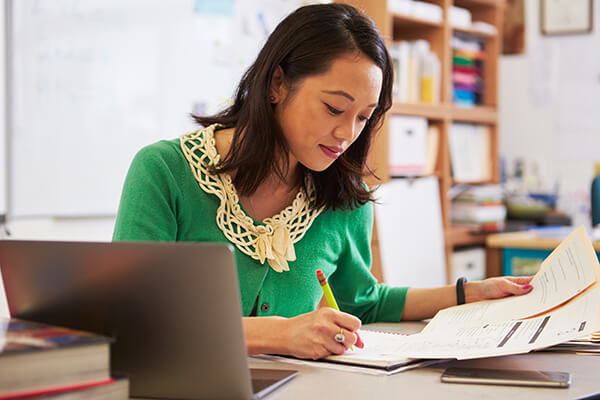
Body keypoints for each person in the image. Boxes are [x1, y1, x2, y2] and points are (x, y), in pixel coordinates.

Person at [113, 3, 532, 360]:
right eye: (334, 109)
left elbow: (363, 302)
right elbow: (135, 317)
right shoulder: (165, 172)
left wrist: (468, 295)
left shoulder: (345, 199)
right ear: (277, 84)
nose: (347, 134)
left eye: (364, 117)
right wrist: (276, 335)